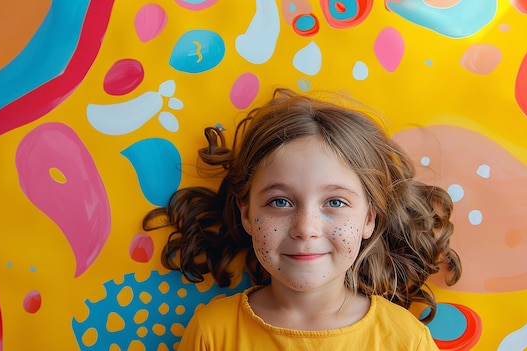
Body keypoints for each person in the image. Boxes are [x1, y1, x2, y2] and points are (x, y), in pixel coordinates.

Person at [143, 88, 462, 350]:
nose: (305, 228)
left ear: (369, 219)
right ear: (247, 214)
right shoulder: (212, 333)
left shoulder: (405, 340)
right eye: (279, 202)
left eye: (335, 202)